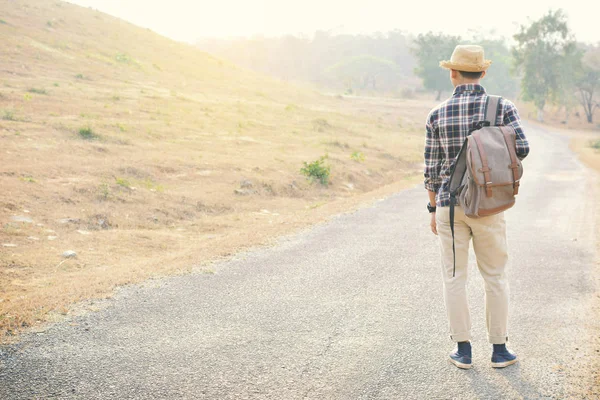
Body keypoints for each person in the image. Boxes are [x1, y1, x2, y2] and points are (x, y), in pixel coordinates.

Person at [423, 45, 530, 369]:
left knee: (454, 277)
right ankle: (499, 350)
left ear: (452, 73)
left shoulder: (437, 114)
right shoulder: (502, 107)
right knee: (495, 276)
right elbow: (522, 148)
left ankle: (463, 350)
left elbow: (430, 170)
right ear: (483, 73)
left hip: (449, 205)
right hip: (488, 205)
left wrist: (432, 210)